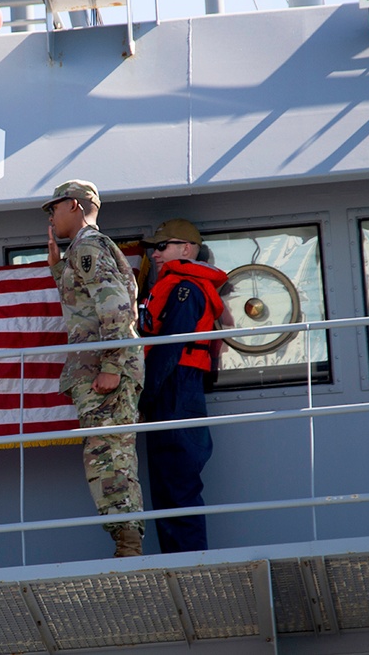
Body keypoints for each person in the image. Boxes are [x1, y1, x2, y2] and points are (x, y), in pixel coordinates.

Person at [43, 180, 146, 557]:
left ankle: (128, 547)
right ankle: (126, 542)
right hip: (99, 368)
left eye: (54, 208)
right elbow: (89, 304)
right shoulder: (85, 250)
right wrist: (59, 270)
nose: (51, 217)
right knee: (106, 455)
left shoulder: (87, 246)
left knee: (109, 457)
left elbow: (116, 308)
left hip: (103, 372)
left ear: (73, 205)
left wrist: (112, 366)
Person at [138, 219, 228, 553]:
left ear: (186, 249)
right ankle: (179, 568)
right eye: (153, 247)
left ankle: (191, 571)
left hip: (175, 390)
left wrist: (145, 398)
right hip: (173, 390)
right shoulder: (174, 285)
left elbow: (170, 348)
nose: (155, 253)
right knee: (166, 489)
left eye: (163, 246)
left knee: (177, 489)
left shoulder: (184, 289)